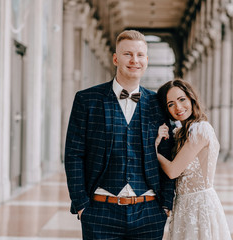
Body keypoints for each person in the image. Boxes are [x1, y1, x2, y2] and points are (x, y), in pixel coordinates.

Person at [64, 30, 175, 240]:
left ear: (147, 61)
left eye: (140, 55)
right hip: (100, 211)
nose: (134, 60)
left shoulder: (158, 104)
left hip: (149, 212)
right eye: (128, 54)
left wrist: (166, 205)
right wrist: (82, 206)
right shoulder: (87, 100)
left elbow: (168, 156)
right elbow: (73, 154)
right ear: (116, 58)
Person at [155, 79, 232, 240]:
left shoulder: (200, 129)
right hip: (183, 204)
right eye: (171, 104)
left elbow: (172, 171)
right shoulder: (180, 132)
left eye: (182, 99)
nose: (178, 107)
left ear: (191, 98)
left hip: (199, 206)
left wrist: (153, 150)